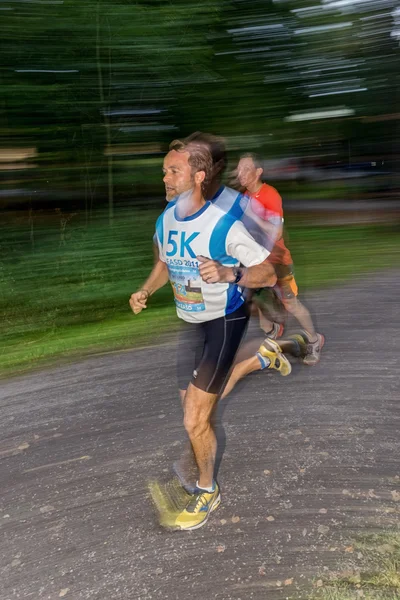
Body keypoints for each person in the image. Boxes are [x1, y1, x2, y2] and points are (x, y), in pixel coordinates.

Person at [129, 139, 279, 531]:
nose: (164, 177)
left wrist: (231, 273)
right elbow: (164, 262)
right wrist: (146, 289)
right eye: (164, 170)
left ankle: (207, 491)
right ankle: (258, 360)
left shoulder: (222, 225)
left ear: (198, 176)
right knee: (195, 408)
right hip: (190, 321)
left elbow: (268, 273)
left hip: (223, 322)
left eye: (172, 171)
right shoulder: (166, 218)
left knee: (195, 420)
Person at [237, 153, 324, 366]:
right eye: (238, 169)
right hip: (255, 262)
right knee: (249, 300)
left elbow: (275, 234)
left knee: (291, 304)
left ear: (258, 172)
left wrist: (253, 216)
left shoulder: (270, 195)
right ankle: (274, 329)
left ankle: (314, 340)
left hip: (278, 262)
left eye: (246, 169)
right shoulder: (242, 197)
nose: (241, 174)